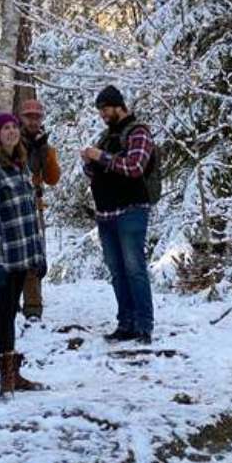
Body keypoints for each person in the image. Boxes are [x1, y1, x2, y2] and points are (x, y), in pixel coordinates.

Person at [0, 112, 47, 398]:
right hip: (5, 258)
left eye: (14, 127)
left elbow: (31, 216)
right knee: (4, 312)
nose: (11, 132)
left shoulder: (21, 167)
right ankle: (6, 377)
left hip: (23, 255)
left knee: (12, 311)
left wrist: (38, 255)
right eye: (5, 128)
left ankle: (15, 373)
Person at [80, 85, 155, 345]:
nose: (102, 114)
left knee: (134, 270)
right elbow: (98, 171)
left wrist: (101, 157)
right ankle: (126, 324)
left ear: (118, 105)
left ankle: (143, 326)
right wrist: (90, 163)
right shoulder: (106, 137)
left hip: (131, 210)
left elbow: (135, 167)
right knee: (117, 272)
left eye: (105, 109)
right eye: (100, 110)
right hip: (106, 213)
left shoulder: (138, 132)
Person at [0, 99, 61, 320]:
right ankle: (10, 301)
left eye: (37, 117)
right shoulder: (2, 141)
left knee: (33, 256)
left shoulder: (42, 144)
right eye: (28, 116)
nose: (33, 121)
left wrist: (46, 151)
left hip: (32, 205)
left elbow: (53, 178)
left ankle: (33, 306)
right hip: (7, 207)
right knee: (10, 254)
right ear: (20, 118)